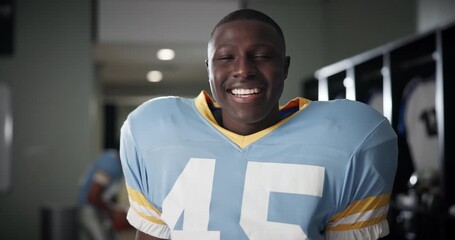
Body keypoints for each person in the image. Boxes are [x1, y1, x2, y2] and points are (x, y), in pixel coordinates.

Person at [119, 8, 398, 240]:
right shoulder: (152, 129)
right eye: (226, 58)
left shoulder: (353, 136)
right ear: (209, 69)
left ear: (285, 66)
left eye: (261, 56)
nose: (243, 70)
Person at [78, 147, 132, 240]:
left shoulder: (111, 159)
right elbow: (92, 196)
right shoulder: (111, 163)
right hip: (90, 209)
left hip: (92, 208)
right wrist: (113, 211)